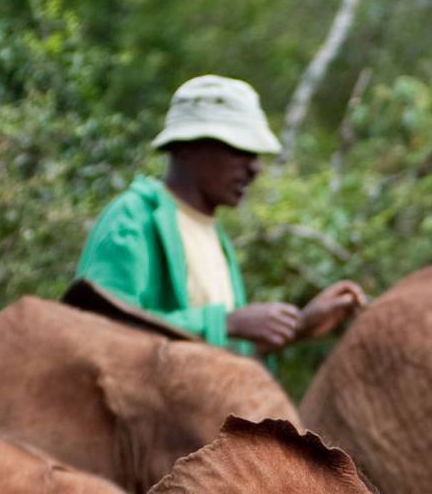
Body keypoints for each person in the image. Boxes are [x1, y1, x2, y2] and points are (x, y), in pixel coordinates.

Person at [73, 75, 366, 357]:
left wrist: (297, 326)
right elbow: (99, 332)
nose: (254, 169)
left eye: (255, 155)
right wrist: (227, 323)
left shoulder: (214, 236)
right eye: (239, 150)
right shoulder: (133, 218)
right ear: (187, 146)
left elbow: (217, 360)